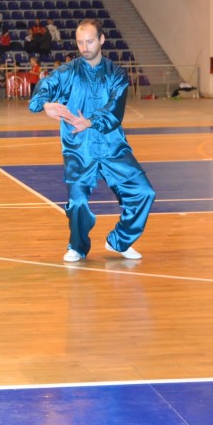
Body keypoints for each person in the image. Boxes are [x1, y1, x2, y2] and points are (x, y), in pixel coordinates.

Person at [29, 19, 155, 263]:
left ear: (102, 40)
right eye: (80, 42)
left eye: (89, 41)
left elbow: (115, 108)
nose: (84, 47)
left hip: (112, 146)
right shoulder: (68, 72)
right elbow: (44, 86)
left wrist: (89, 121)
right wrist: (45, 104)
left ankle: (120, 240)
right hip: (79, 148)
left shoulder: (116, 74)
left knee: (144, 192)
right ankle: (77, 246)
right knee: (77, 203)